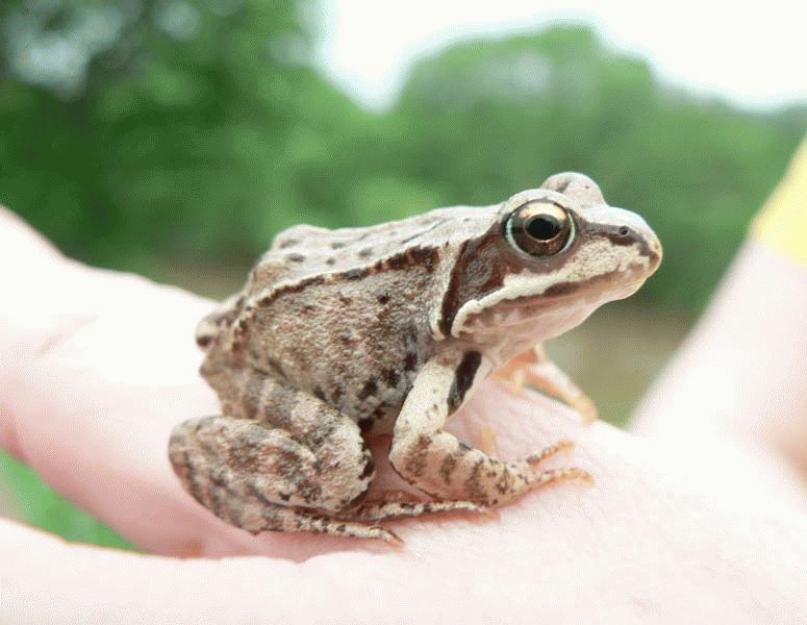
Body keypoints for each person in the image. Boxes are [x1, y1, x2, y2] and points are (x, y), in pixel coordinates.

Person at [1, 144, 806, 622]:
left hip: (300, 295)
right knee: (342, 463)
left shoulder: (476, 325)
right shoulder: (438, 345)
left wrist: (513, 344)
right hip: (271, 368)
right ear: (500, 252)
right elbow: (418, 447)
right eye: (542, 235)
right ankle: (332, 501)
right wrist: (507, 479)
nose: (611, 237)